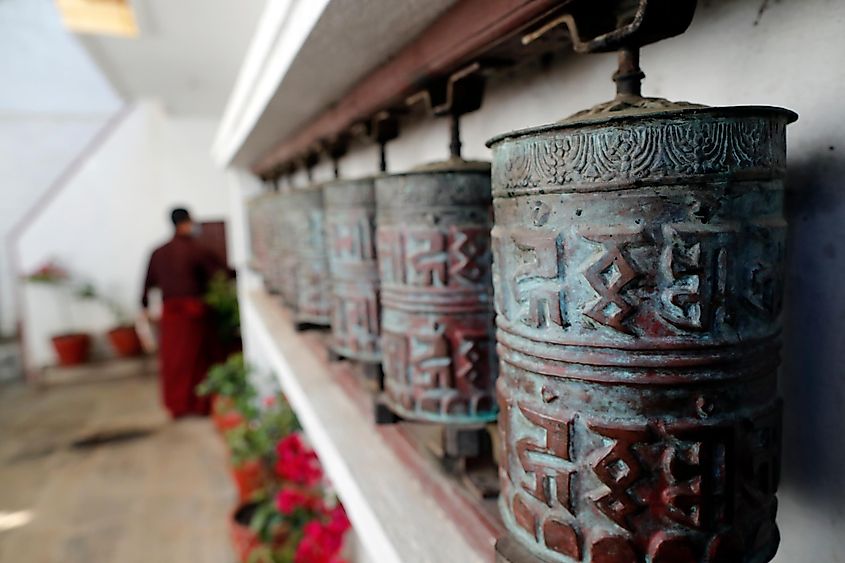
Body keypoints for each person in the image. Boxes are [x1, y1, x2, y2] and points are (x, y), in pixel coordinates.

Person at [141, 207, 228, 418]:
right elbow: (221, 275)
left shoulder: (158, 251)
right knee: (197, 360)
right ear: (186, 223)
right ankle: (199, 405)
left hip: (170, 314)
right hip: (193, 314)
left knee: (174, 361)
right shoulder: (197, 250)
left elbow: (146, 285)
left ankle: (177, 405)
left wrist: (144, 308)